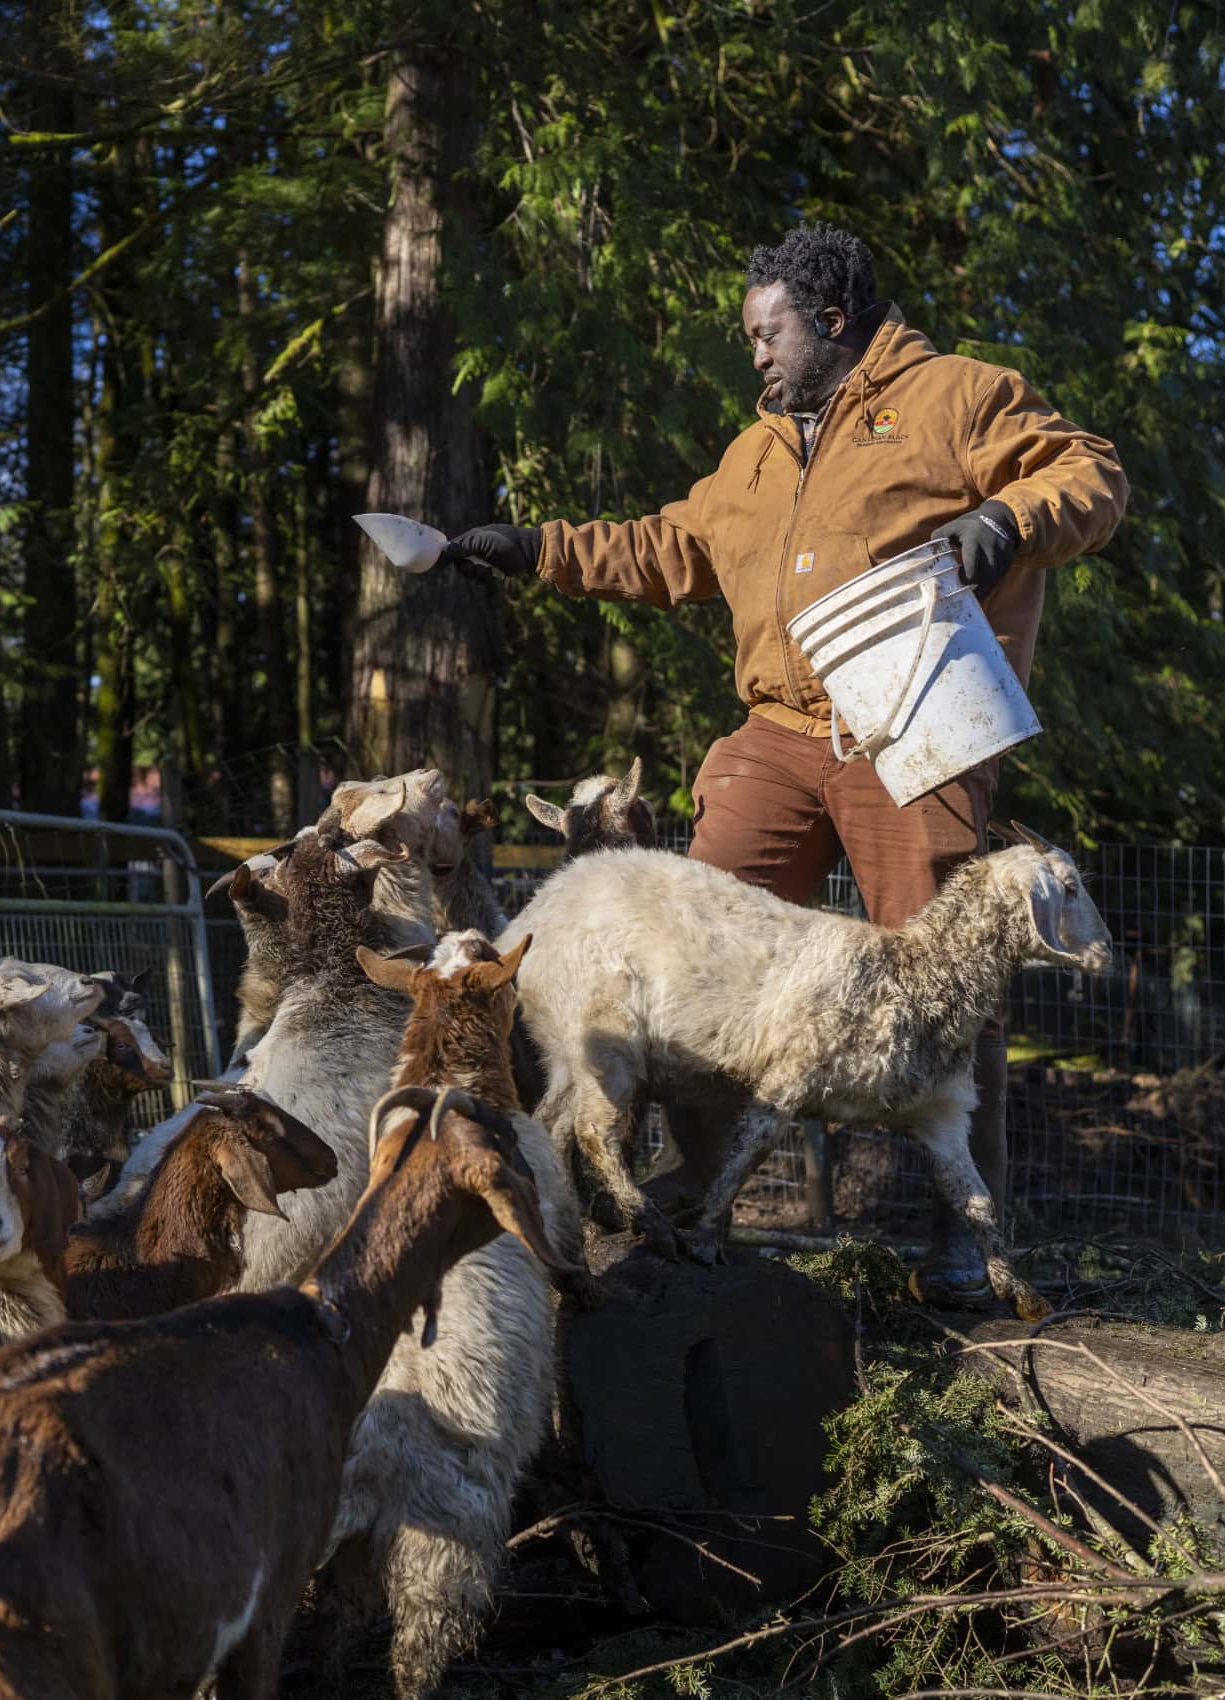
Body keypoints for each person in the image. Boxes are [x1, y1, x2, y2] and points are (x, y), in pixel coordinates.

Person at [442, 222, 1127, 1304]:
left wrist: (1003, 519)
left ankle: (964, 1236)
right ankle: (702, 1199)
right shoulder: (754, 455)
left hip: (921, 721)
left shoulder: (958, 395)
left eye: (767, 331)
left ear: (832, 320)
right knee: (699, 939)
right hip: (777, 731)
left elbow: (1088, 472)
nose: (753, 352)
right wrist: (534, 548)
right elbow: (667, 547)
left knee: (950, 977)